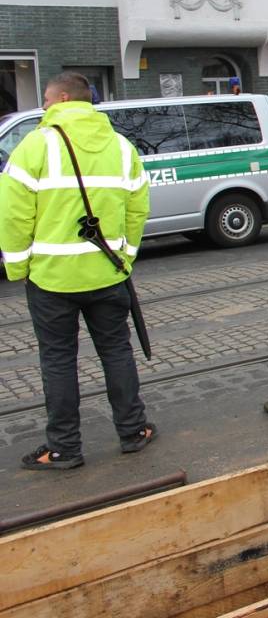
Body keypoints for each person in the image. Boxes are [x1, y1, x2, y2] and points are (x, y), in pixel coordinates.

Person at [0, 72, 155, 470]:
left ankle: (65, 448)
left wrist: (18, 267)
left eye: (47, 102)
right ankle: (133, 431)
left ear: (63, 98)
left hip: (51, 279)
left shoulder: (34, 146)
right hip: (108, 273)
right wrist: (126, 257)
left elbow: (13, 215)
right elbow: (138, 209)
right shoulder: (121, 147)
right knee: (117, 352)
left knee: (57, 361)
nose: (44, 109)